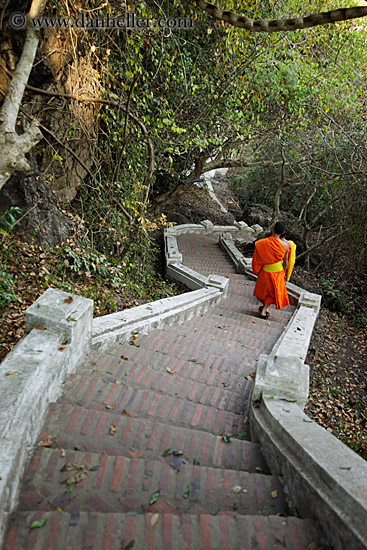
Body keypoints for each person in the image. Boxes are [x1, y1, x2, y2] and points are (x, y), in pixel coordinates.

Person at [252, 220, 290, 319]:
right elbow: (286, 262)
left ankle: (264, 308)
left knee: (265, 292)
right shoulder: (286, 245)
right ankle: (264, 310)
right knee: (273, 292)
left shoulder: (261, 243)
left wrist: (257, 268)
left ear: (273, 228)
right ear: (283, 233)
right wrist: (285, 272)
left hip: (265, 271)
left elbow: (257, 258)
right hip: (277, 272)